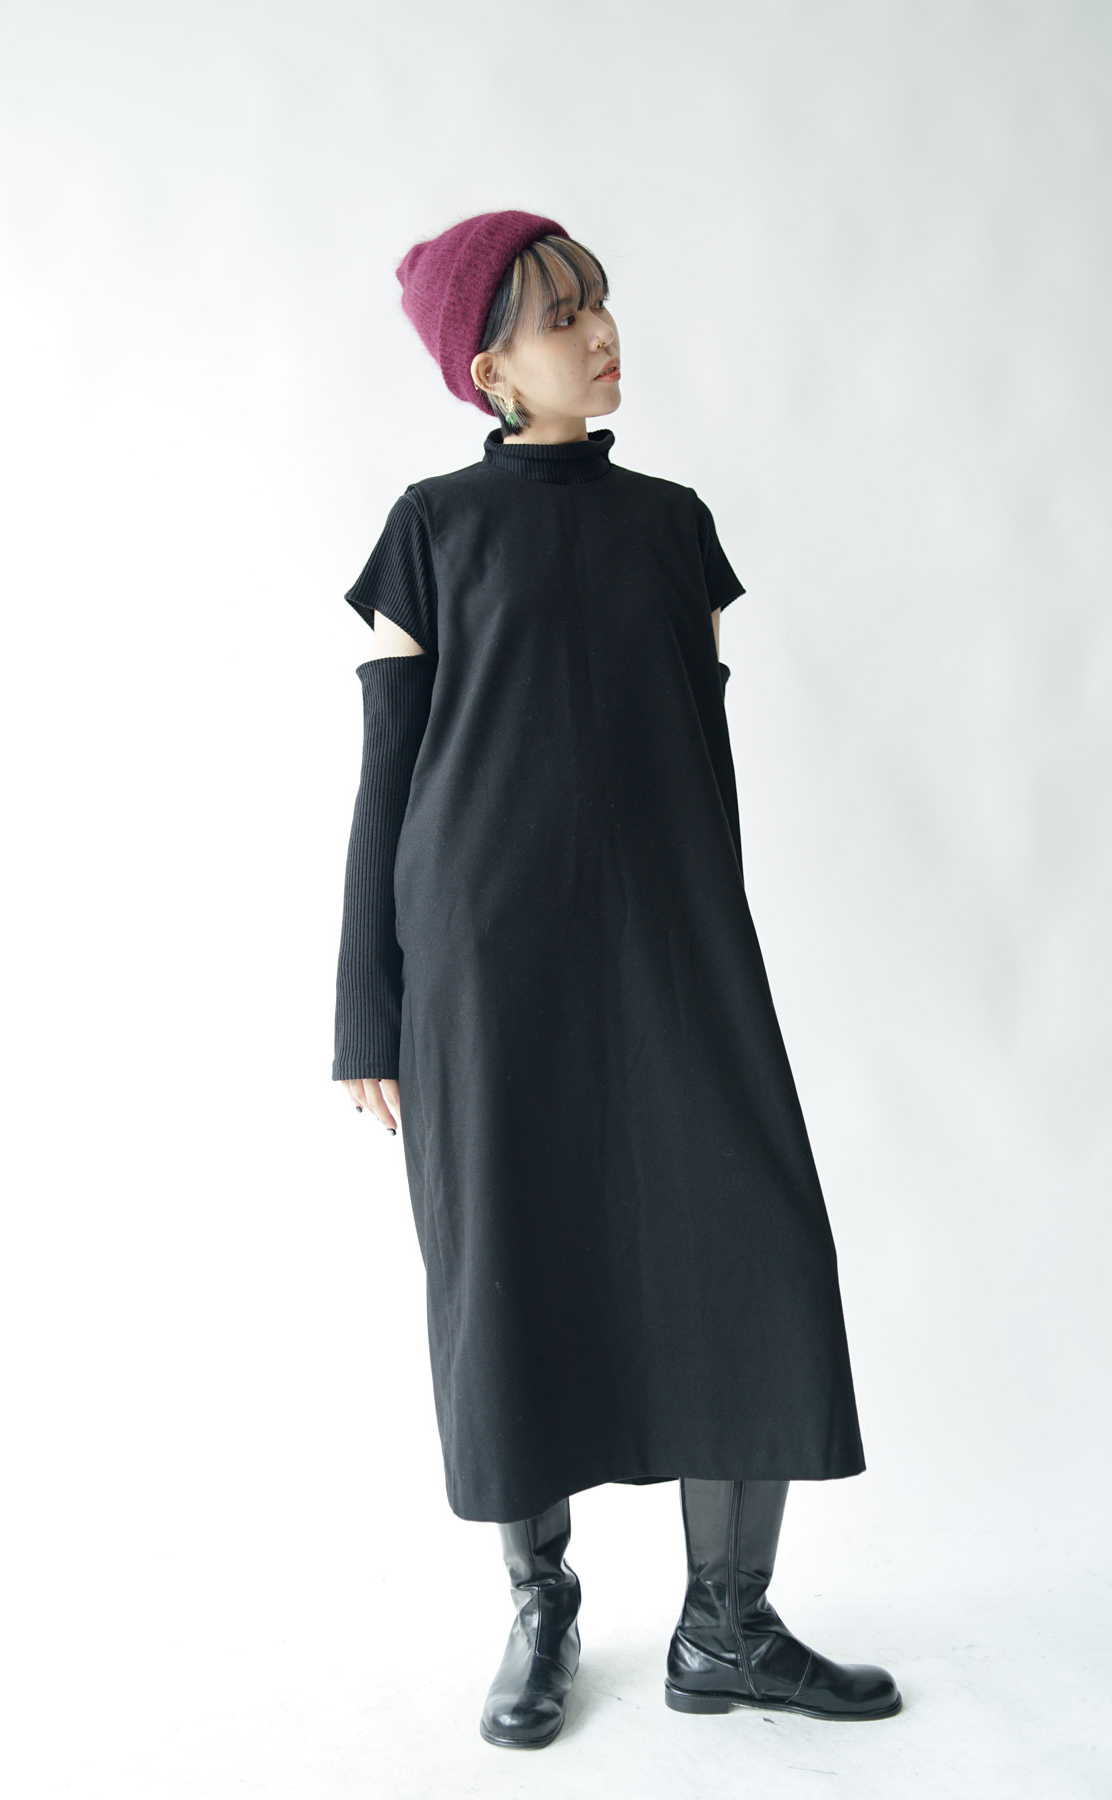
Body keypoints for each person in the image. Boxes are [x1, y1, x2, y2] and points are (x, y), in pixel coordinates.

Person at [332, 209, 901, 1747]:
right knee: (509, 1268)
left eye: (598, 303)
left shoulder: (674, 529)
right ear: (488, 368)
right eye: (558, 316)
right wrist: (366, 1006)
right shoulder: (428, 532)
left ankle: (727, 1626)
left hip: (671, 943)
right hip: (482, 957)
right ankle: (542, 1604)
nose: (598, 333)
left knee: (757, 1244)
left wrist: (716, 940)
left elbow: (697, 761)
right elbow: (387, 781)